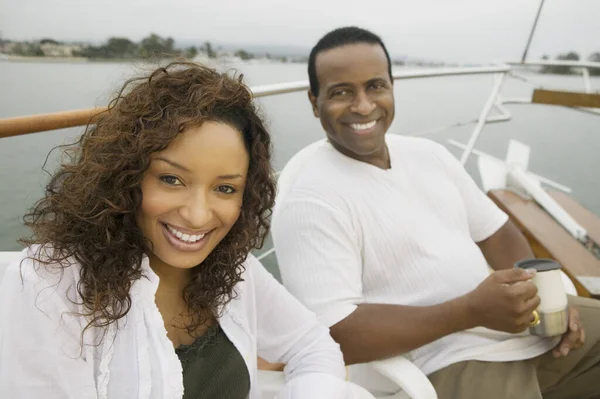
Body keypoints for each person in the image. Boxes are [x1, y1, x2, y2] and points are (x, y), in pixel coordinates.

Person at [271, 27, 600, 399]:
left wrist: (546, 297)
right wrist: (471, 312)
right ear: (314, 102)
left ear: (392, 87)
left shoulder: (428, 156)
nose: (363, 106)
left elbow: (498, 233)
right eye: (341, 92)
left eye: (375, 86)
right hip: (440, 366)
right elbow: (335, 334)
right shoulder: (309, 198)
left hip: (517, 332)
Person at [0, 62, 352, 398]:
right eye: (171, 179)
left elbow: (312, 346)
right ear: (125, 175)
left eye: (225, 188)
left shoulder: (234, 268)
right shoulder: (50, 287)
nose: (198, 216)